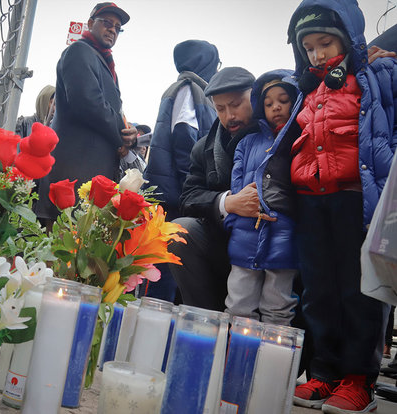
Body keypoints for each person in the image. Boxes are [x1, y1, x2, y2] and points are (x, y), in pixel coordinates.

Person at [286, 1, 397, 412]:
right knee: (318, 289)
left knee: (361, 289)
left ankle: (358, 379)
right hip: (311, 200)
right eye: (309, 46)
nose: (318, 54)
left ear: (348, 38)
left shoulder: (379, 73)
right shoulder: (305, 87)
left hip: (358, 196)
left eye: (326, 42)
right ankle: (323, 372)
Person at [35, 2, 137, 222]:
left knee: (80, 245)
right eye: (107, 23)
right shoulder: (79, 51)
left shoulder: (104, 62)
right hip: (73, 172)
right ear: (90, 24)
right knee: (61, 242)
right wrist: (122, 132)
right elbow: (88, 102)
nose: (112, 29)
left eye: (117, 27)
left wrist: (129, 133)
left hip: (89, 173)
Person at [167, 66, 256, 311]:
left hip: (269, 241)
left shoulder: (277, 135)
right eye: (220, 108)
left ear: (255, 96)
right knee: (179, 231)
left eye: (236, 104)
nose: (229, 116)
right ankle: (203, 322)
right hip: (222, 241)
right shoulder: (203, 148)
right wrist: (227, 202)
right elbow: (188, 198)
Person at [140, 40, 219, 303]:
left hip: (175, 194)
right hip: (174, 197)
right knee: (163, 276)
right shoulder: (190, 89)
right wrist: (193, 189)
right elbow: (185, 138)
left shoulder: (195, 89)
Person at [224, 70, 301, 326]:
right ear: (260, 106)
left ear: (296, 100)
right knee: (238, 304)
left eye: (283, 100)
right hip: (245, 231)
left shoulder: (301, 139)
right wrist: (233, 222)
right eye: (268, 103)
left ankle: (273, 363)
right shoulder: (247, 143)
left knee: (278, 305)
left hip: (284, 232)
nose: (276, 107)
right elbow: (236, 186)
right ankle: (234, 358)